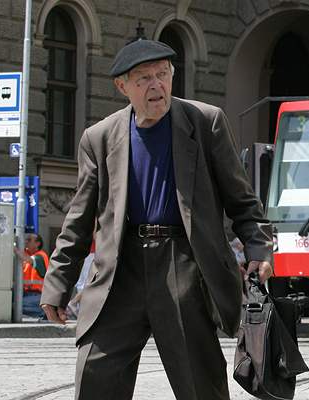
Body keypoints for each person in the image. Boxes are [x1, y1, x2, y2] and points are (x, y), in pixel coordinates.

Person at [40, 39, 273, 400]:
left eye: (162, 75)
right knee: (95, 374)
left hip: (183, 268)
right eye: (144, 78)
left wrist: (258, 248)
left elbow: (241, 200)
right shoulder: (99, 138)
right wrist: (58, 282)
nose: (156, 86)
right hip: (120, 273)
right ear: (122, 86)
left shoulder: (205, 122)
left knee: (201, 385)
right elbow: (78, 219)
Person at [13, 233, 49, 319]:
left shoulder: (41, 256)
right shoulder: (26, 254)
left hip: (38, 295)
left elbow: (28, 259)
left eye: (29, 240)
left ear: (37, 243)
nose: (26, 241)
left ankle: (44, 311)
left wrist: (14, 248)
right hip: (25, 293)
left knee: (16, 306)